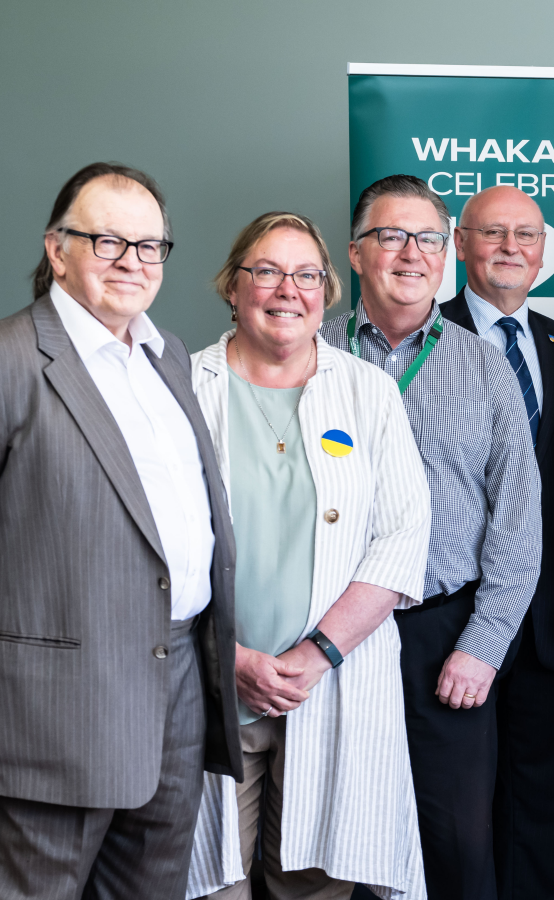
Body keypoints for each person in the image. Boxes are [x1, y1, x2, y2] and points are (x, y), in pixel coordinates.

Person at [0, 162, 243, 898]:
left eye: (149, 245)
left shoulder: (166, 352)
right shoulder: (12, 361)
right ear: (56, 249)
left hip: (177, 683)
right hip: (52, 708)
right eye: (107, 241)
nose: (132, 262)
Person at [185, 212, 431, 899]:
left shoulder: (367, 392)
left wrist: (315, 654)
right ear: (232, 288)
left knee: (316, 885)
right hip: (213, 684)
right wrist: (226, 657)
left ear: (326, 292)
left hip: (330, 682)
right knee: (206, 884)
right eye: (265, 271)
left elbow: (404, 535)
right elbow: (155, 549)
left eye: (306, 275)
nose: (286, 289)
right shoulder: (182, 386)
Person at [321, 175, 541, 900]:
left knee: (456, 853)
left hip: (443, 637)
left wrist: (483, 646)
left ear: (447, 255)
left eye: (427, 239)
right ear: (356, 253)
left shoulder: (484, 366)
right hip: (325, 636)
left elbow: (517, 518)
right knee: (330, 849)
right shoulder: (309, 352)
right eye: (390, 235)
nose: (409, 253)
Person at [437, 185, 554, 900]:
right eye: (492, 233)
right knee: (452, 817)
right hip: (449, 625)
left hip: (552, 627)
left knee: (540, 813)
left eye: (524, 235)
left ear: (543, 251)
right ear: (460, 243)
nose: (509, 247)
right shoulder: (421, 340)